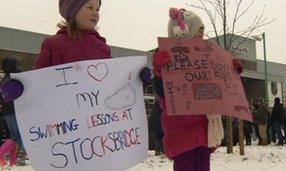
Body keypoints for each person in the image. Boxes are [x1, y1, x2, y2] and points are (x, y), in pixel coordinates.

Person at [0, 0, 151, 102]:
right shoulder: (52, 44)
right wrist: (19, 87)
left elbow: (114, 79)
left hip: (97, 118)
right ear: (73, 11)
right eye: (89, 7)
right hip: (65, 117)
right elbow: (38, 76)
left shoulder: (102, 47)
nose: (95, 13)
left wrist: (136, 77)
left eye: (98, 9)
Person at [153, 8, 243, 171]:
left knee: (203, 166)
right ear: (184, 34)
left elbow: (222, 86)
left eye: (202, 32)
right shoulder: (167, 58)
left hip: (203, 129)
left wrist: (231, 70)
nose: (202, 36)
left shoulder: (206, 58)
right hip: (181, 131)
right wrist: (160, 71)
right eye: (198, 32)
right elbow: (161, 91)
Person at [0, 57, 24, 168]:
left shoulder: (3, 79)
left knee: (13, 137)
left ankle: (12, 162)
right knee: (17, 137)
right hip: (16, 111)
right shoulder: (17, 77)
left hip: (6, 112)